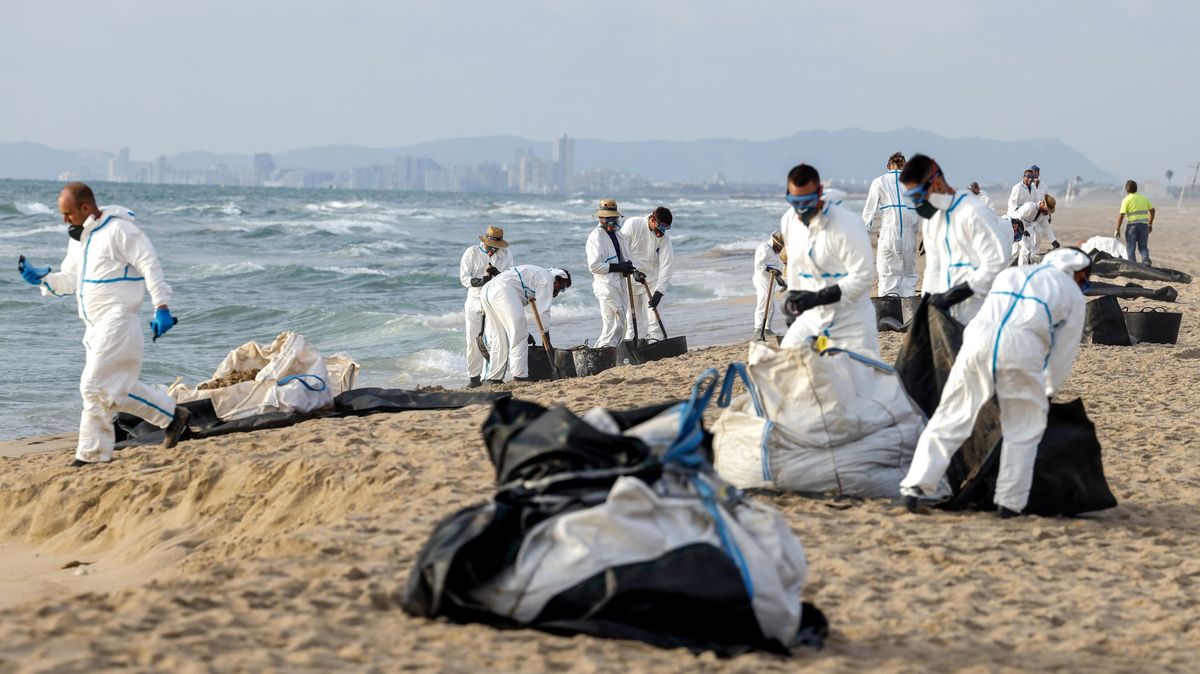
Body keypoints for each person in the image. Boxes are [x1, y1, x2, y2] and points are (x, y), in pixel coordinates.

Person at [900, 247, 1092, 518]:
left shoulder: (1012, 273)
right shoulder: (1072, 293)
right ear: (1079, 272)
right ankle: (1009, 504)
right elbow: (1064, 350)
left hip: (977, 342)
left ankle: (915, 488)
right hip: (1022, 349)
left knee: (950, 416)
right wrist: (1049, 389)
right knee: (1023, 428)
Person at [16, 182, 189, 467]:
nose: (64, 220)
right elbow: (70, 280)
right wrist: (43, 280)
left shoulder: (121, 230)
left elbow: (150, 265)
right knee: (116, 387)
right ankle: (173, 416)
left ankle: (92, 456)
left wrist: (161, 306)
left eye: (68, 214)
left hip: (118, 320)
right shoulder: (79, 239)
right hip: (93, 326)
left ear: (86, 208)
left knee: (93, 386)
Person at [779, 164, 879, 356]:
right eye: (795, 201)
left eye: (807, 201)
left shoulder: (848, 224)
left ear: (819, 192)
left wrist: (819, 297)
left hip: (850, 321)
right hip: (811, 319)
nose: (800, 209)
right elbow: (794, 267)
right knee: (786, 365)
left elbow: (863, 277)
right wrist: (794, 302)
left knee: (856, 378)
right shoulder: (789, 221)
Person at [900, 154, 1008, 326]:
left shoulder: (973, 213)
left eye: (918, 196)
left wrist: (963, 290)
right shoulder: (931, 220)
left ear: (937, 183)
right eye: (912, 198)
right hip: (947, 317)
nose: (917, 203)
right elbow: (933, 268)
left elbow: (996, 262)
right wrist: (926, 303)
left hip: (979, 314)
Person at [479, 266, 571, 383]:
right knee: (519, 335)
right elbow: (543, 311)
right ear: (557, 279)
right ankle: (520, 376)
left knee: (500, 337)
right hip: (502, 291)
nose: (560, 290)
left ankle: (495, 378)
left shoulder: (538, 274)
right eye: (561, 286)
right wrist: (546, 340)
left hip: (488, 290)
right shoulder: (548, 279)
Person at [459, 226, 514, 388]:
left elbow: (510, 277)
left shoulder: (506, 254)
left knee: (495, 339)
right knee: (473, 339)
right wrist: (481, 281)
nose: (495, 249)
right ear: (485, 241)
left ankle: (491, 376)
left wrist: (497, 274)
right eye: (492, 245)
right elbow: (464, 278)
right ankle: (474, 378)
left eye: (498, 246)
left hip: (494, 300)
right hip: (475, 299)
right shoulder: (472, 252)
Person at [862, 152, 920, 297]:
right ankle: (909, 315)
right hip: (909, 236)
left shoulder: (879, 181)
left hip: (889, 234)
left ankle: (890, 314)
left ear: (888, 166)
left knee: (888, 277)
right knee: (909, 277)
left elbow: (869, 210)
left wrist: (862, 233)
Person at [585, 198, 637, 347]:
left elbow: (625, 259)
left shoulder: (619, 235)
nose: (612, 221)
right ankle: (602, 350)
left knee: (621, 323)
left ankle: (610, 351)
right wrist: (619, 267)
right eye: (608, 218)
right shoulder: (596, 236)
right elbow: (594, 266)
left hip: (620, 283)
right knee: (614, 323)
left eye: (614, 218)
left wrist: (631, 269)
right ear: (601, 218)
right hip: (606, 285)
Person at [620, 206, 674, 342]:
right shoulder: (633, 224)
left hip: (651, 282)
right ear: (652, 219)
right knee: (632, 320)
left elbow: (667, 265)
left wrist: (659, 292)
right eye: (661, 227)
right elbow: (622, 251)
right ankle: (631, 345)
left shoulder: (664, 239)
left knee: (655, 319)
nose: (662, 232)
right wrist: (633, 271)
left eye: (666, 229)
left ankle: (654, 343)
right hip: (630, 281)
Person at [753, 231, 787, 340]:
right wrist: (772, 270)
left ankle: (766, 329)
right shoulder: (763, 248)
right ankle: (758, 329)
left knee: (770, 305)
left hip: (771, 279)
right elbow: (759, 265)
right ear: (774, 241)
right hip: (762, 278)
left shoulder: (777, 253)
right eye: (778, 246)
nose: (779, 249)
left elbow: (777, 268)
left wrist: (779, 279)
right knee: (763, 302)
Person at [1008, 194, 1060, 265]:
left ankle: (1021, 265)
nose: (1047, 212)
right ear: (1043, 203)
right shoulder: (1030, 206)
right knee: (1025, 247)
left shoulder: (1042, 215)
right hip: (1015, 226)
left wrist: (1053, 241)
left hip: (1026, 229)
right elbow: (1016, 216)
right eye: (1047, 209)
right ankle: (1022, 267)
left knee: (1022, 249)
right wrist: (1023, 229)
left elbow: (1047, 228)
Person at [1115, 180, 1155, 265]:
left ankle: (1134, 265)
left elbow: (1121, 215)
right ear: (1136, 189)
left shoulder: (1126, 200)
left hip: (1132, 227)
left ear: (1126, 190)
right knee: (1143, 247)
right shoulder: (1144, 198)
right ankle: (1146, 260)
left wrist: (1117, 229)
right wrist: (1150, 224)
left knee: (1131, 248)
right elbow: (1152, 211)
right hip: (1144, 226)